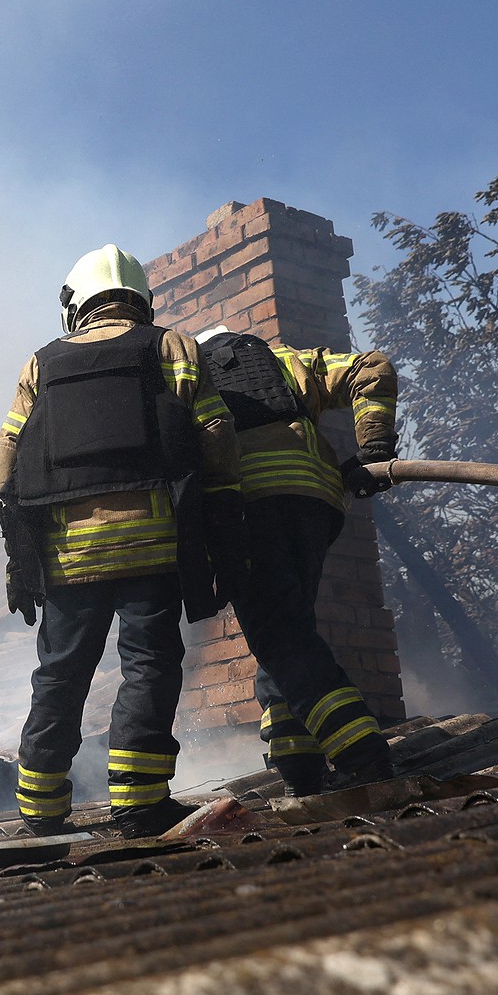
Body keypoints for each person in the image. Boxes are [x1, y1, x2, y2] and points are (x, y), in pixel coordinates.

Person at [0, 245, 244, 838]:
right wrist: (223, 511)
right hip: (152, 546)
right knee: (149, 665)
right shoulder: (171, 346)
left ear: (76, 304)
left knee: (60, 673)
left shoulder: (40, 364)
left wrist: (21, 553)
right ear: (140, 299)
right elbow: (214, 431)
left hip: (69, 553)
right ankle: (139, 801)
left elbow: (9, 453)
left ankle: (40, 807)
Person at [195, 326, 398, 796]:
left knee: (280, 639)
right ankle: (299, 765)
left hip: (248, 506)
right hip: (314, 504)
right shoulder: (287, 360)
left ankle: (360, 751)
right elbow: (372, 367)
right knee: (288, 629)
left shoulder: (191, 378)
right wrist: (373, 448)